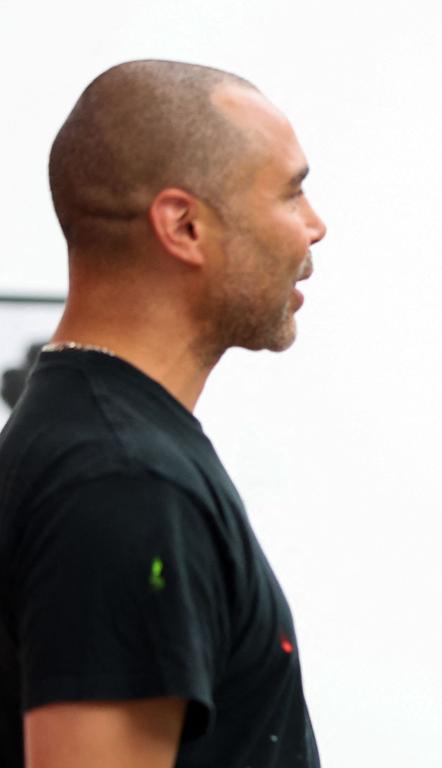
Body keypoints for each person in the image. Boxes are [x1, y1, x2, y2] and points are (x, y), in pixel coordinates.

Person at [0, 60, 327, 767]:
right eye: (291, 193)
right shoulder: (124, 485)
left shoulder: (88, 441)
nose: (315, 226)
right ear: (183, 225)